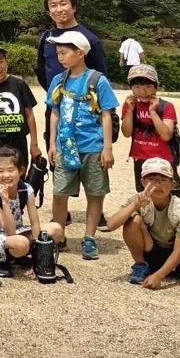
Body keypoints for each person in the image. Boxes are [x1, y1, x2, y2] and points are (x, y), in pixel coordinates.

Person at [46, 31, 117, 260]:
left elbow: (106, 115)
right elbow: (54, 113)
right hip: (65, 146)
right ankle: (58, 236)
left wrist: (107, 148)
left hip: (93, 145)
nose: (60, 57)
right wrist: (52, 143)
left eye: (64, 52)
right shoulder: (58, 80)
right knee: (59, 192)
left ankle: (89, 238)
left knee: (95, 193)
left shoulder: (98, 80)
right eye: (58, 53)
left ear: (80, 53)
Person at [105, 157, 180, 289]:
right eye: (152, 179)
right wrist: (134, 206)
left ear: (173, 184)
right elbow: (111, 225)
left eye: (163, 180)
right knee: (133, 220)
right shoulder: (138, 200)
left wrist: (159, 276)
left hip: (179, 256)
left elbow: (179, 250)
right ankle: (141, 265)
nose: (157, 184)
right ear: (143, 182)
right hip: (150, 252)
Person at [35, 0, 108, 150]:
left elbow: (101, 75)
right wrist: (56, 93)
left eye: (63, 4)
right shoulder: (47, 39)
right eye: (53, 5)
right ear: (48, 11)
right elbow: (42, 71)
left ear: (74, 7)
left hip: (85, 110)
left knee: (88, 155)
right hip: (55, 107)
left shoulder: (90, 39)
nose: (59, 9)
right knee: (57, 155)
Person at [0, 146, 60, 277]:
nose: (6, 175)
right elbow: (10, 231)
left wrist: (38, 257)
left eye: (11, 170)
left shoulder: (26, 189)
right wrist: (4, 201)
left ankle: (17, 256)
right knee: (21, 243)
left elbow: (35, 223)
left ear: (21, 171)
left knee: (56, 229)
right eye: (0, 171)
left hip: (16, 232)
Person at [0, 42, 41, 182]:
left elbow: (29, 114)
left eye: (1, 61)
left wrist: (34, 144)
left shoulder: (19, 84)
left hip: (18, 140)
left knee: (19, 180)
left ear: (6, 61)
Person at [121, 63, 180, 197]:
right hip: (140, 157)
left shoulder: (166, 106)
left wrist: (153, 112)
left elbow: (166, 135)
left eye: (148, 87)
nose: (142, 92)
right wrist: (129, 111)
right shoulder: (130, 105)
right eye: (137, 87)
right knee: (145, 195)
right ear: (131, 88)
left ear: (156, 86)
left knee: (170, 194)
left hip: (164, 158)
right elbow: (126, 133)